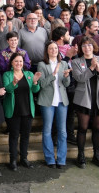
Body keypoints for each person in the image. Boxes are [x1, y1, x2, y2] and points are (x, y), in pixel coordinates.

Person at [3, 53, 41, 171]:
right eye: (16, 61)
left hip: (27, 110)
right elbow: (7, 90)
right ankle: (13, 160)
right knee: (14, 136)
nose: (18, 63)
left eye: (20, 61)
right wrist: (14, 82)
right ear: (12, 63)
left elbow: (35, 90)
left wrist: (35, 82)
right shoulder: (7, 74)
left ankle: (24, 158)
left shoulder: (29, 74)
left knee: (25, 136)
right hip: (14, 110)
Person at [37, 41, 71, 169]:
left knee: (62, 132)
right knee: (47, 130)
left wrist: (67, 77)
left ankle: (61, 160)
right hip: (47, 101)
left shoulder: (64, 63)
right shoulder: (42, 64)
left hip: (62, 101)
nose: (53, 50)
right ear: (47, 51)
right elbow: (42, 84)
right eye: (51, 48)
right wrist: (53, 74)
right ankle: (50, 159)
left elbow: (66, 84)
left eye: (55, 48)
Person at [72, 37, 99, 169]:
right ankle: (80, 155)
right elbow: (80, 78)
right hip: (83, 100)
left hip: (98, 99)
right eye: (84, 46)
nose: (87, 48)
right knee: (82, 128)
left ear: (93, 46)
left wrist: (97, 68)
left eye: (89, 45)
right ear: (81, 49)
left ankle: (97, 154)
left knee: (97, 129)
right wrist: (92, 67)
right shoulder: (76, 61)